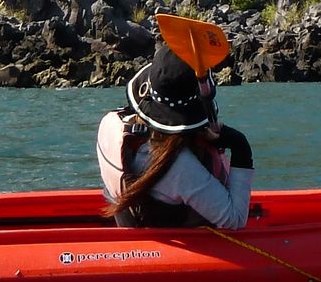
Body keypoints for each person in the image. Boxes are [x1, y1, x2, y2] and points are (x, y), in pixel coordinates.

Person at [98, 17, 255, 230]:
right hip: (170, 241)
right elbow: (234, 221)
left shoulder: (110, 123)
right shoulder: (182, 169)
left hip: (131, 223)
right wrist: (239, 144)